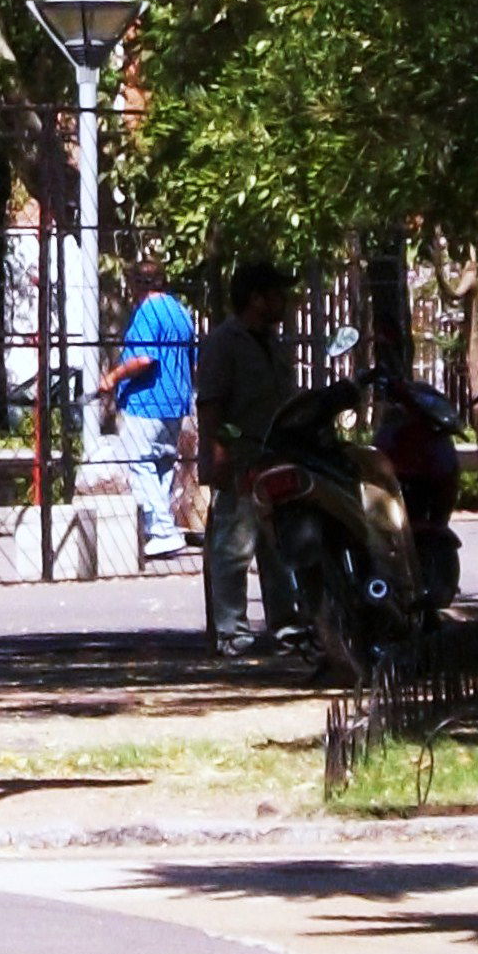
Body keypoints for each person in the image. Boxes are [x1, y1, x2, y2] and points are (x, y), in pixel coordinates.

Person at [194, 260, 296, 657]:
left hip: (276, 458)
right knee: (234, 547)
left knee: (279, 546)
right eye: (275, 294)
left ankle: (286, 625)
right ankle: (231, 631)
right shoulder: (225, 342)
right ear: (255, 299)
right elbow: (211, 404)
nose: (283, 302)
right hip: (240, 459)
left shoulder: (272, 343)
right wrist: (219, 454)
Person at [101, 259, 198, 561]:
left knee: (141, 463)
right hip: (175, 401)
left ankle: (162, 531)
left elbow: (144, 358)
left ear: (139, 285)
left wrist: (113, 376)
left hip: (147, 401)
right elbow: (192, 359)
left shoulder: (147, 311)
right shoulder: (181, 312)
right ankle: (160, 526)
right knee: (163, 466)